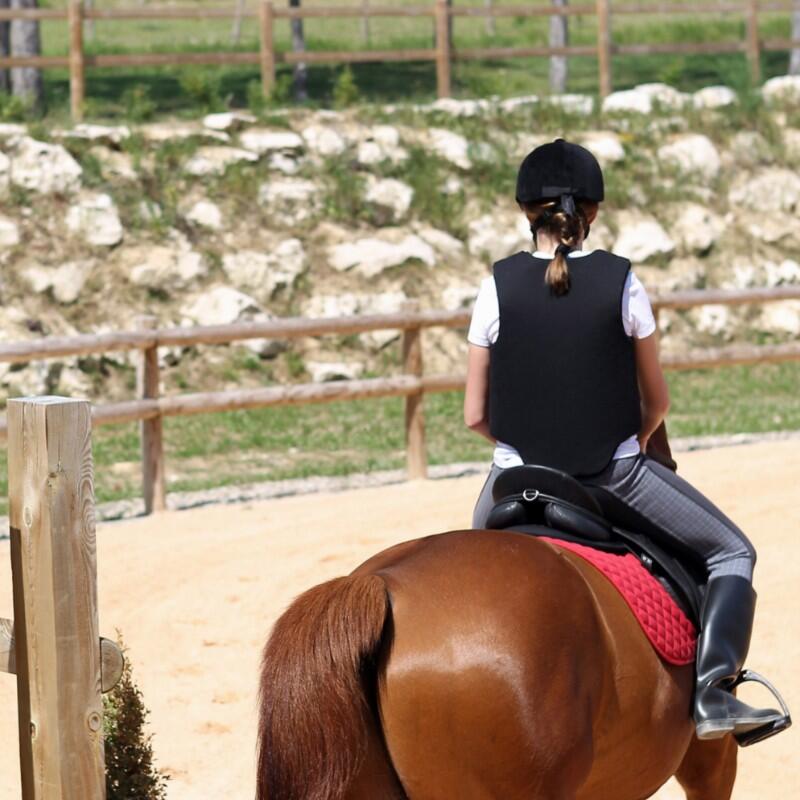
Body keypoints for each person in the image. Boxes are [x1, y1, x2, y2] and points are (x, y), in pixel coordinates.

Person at [464, 138, 786, 742]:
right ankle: (715, 695)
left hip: (509, 480)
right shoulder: (622, 281)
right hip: (609, 477)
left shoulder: (495, 286)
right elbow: (656, 401)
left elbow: (475, 414)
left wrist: (520, 445)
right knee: (731, 554)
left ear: (523, 211)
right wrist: (623, 443)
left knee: (465, 575)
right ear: (592, 213)